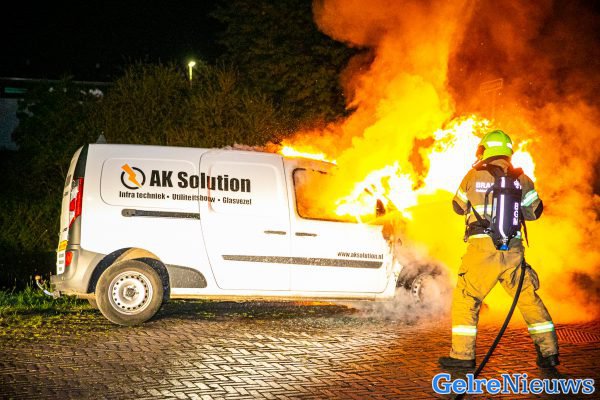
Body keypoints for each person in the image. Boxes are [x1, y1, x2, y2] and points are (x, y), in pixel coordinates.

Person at [439, 130, 559, 369]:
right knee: (528, 300)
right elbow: (534, 212)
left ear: (484, 150)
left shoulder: (473, 175)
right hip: (513, 251)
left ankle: (462, 356)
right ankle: (549, 353)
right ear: (508, 152)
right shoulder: (522, 178)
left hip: (482, 250)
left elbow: (457, 206)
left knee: (466, 299)